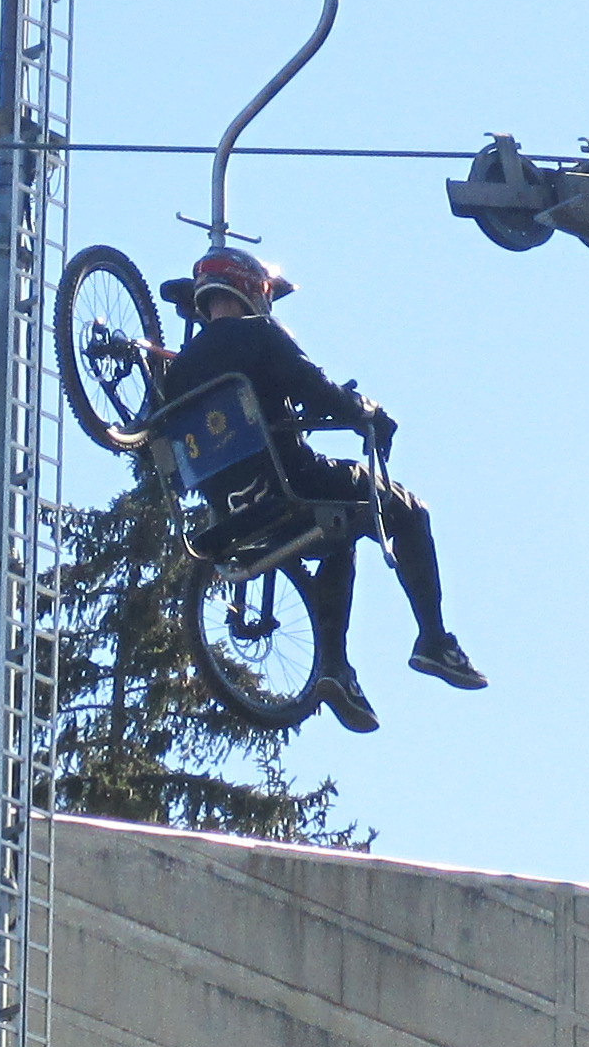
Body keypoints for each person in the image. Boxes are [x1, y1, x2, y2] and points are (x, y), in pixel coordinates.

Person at [153, 247, 482, 731]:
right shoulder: (261, 334)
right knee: (409, 512)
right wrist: (364, 412)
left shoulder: (176, 371)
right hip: (293, 484)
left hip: (232, 510)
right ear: (252, 289)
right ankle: (434, 640)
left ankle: (334, 668)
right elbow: (315, 387)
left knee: (339, 535)